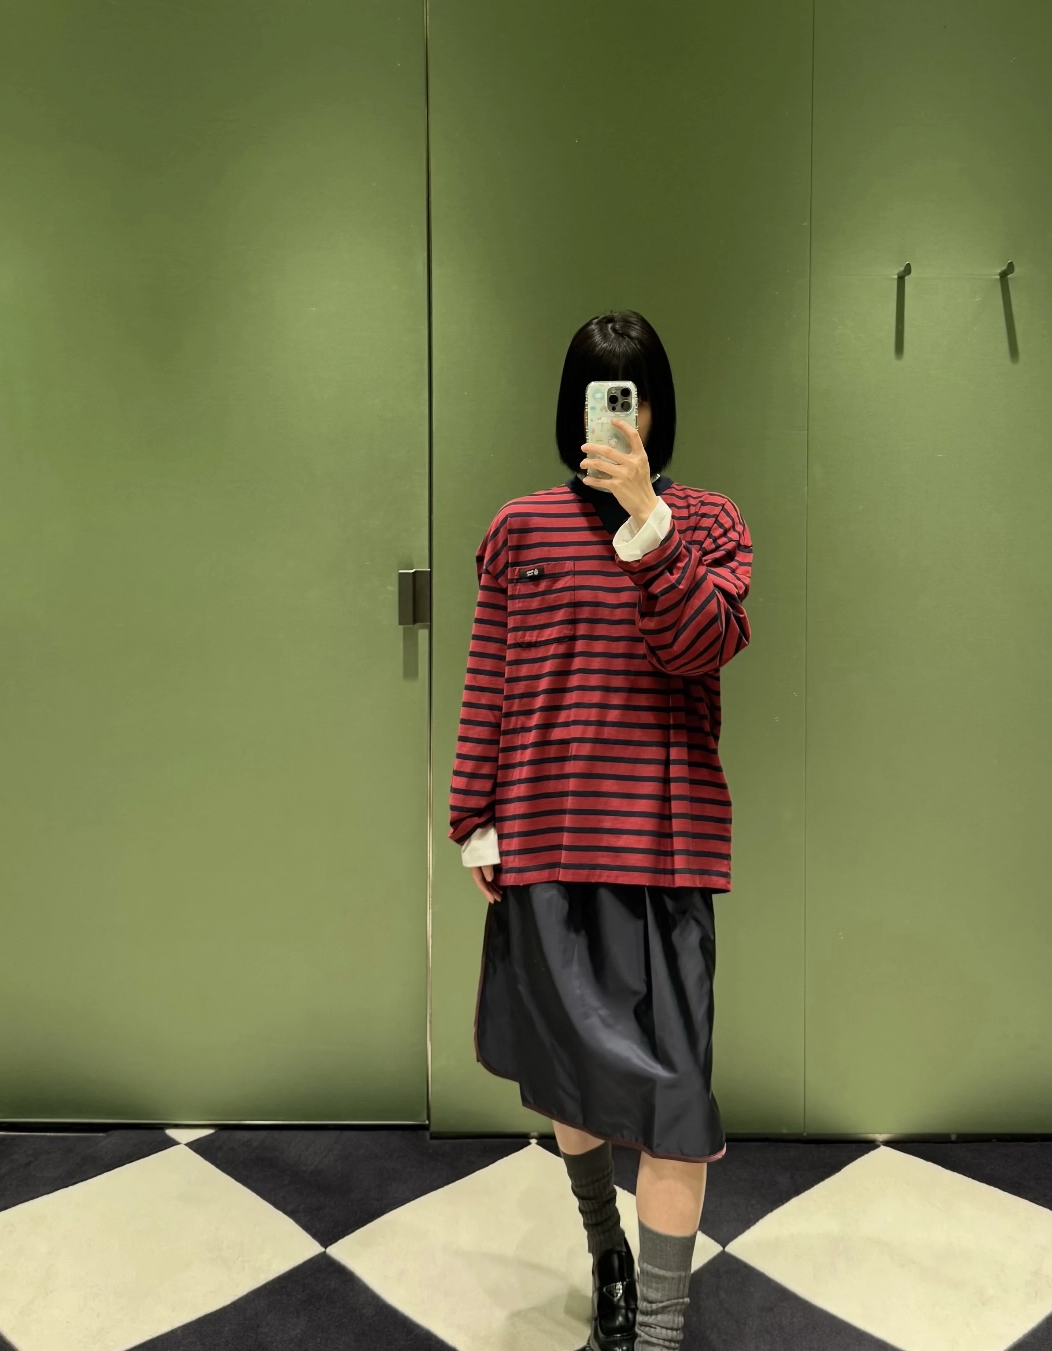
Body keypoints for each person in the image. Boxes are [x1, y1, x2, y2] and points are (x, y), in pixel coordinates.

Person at [447, 310, 752, 1350]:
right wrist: (473, 815)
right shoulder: (519, 529)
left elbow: (702, 645)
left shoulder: (707, 522)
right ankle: (608, 1260)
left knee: (677, 1105)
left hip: (665, 853)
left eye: (636, 396)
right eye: (601, 395)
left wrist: (649, 525)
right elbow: (489, 678)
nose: (621, 418)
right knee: (570, 1082)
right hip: (545, 842)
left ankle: (658, 1331)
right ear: (573, 410)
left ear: (657, 410)